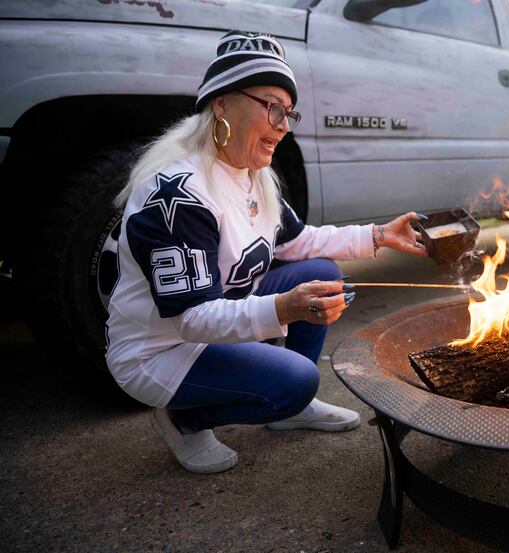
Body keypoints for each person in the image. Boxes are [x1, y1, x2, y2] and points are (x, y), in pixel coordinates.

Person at [106, 30, 428, 474]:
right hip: (162, 349)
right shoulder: (176, 195)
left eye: (288, 112)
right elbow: (189, 318)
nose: (282, 124)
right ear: (221, 104)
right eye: (272, 106)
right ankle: (185, 418)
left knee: (319, 270)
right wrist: (282, 307)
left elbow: (299, 243)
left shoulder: (251, 175)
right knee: (295, 381)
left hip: (214, 317)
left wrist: (378, 235)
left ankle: (288, 408)